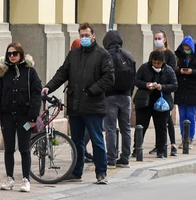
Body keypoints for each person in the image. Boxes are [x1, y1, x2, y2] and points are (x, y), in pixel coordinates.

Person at [42, 23, 114, 184]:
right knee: (77, 141)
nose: (84, 38)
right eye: (81, 36)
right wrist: (49, 87)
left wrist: (91, 90)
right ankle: (76, 171)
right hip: (75, 105)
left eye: (87, 35)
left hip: (93, 106)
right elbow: (62, 73)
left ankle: (101, 172)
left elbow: (109, 78)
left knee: (97, 140)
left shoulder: (102, 55)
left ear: (93, 36)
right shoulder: (74, 54)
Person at [0, 42, 42, 193]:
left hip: (24, 118)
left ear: (21, 54)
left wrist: (33, 116)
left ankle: (26, 179)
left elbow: (36, 94)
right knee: (8, 149)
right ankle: (9, 178)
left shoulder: (30, 72)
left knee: (24, 148)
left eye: (15, 53)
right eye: (9, 54)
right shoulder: (3, 73)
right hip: (7, 116)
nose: (12, 56)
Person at [133, 50, 178, 158]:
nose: (156, 65)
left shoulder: (168, 70)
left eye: (158, 63)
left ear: (163, 62)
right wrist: (146, 85)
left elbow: (174, 85)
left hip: (162, 102)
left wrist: (162, 87)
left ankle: (161, 149)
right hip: (145, 101)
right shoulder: (144, 68)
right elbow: (136, 80)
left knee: (161, 126)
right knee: (141, 125)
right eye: (154, 63)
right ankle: (137, 148)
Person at [102, 30, 136, 168]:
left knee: (110, 128)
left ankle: (111, 158)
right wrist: (129, 93)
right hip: (126, 96)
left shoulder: (105, 56)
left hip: (110, 96)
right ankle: (125, 157)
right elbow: (133, 76)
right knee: (125, 128)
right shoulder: (129, 55)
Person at [174, 36, 196, 150]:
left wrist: (192, 72)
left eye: (187, 47)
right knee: (182, 114)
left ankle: (190, 137)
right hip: (181, 89)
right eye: (184, 47)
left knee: (190, 115)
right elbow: (172, 69)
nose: (186, 49)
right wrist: (180, 71)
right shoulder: (178, 55)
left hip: (193, 89)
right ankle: (184, 137)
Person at [152, 30, 178, 156]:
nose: (157, 40)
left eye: (159, 38)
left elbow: (172, 72)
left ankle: (172, 144)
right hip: (155, 92)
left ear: (165, 39)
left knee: (167, 119)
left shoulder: (170, 55)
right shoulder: (154, 54)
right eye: (155, 38)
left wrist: (162, 85)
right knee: (158, 120)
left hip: (165, 91)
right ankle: (159, 145)